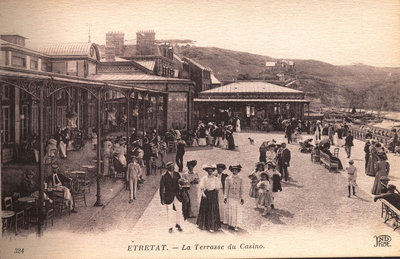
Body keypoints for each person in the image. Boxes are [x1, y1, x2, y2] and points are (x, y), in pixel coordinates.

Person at [197, 164, 221, 232]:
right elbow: (201, 187)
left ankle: (213, 226)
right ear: (207, 171)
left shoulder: (216, 179)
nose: (210, 172)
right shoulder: (204, 178)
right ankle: (205, 225)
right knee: (205, 209)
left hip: (213, 195)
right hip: (206, 194)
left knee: (213, 210)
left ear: (213, 171)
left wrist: (215, 196)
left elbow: (218, 188)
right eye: (208, 171)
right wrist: (203, 193)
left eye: (211, 171)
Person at [160, 161, 183, 233]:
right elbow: (161, 188)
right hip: (168, 196)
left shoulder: (177, 174)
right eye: (172, 166)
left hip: (177, 195)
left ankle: (178, 224)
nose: (174, 167)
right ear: (168, 168)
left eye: (174, 166)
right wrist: (162, 199)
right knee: (169, 211)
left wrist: (181, 187)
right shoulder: (164, 176)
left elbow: (180, 183)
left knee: (179, 209)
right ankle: (170, 227)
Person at [224, 165, 244, 231]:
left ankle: (236, 225)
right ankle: (230, 224)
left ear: (238, 171)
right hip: (230, 197)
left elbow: (241, 188)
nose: (234, 171)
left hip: (237, 197)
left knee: (236, 211)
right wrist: (225, 197)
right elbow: (226, 188)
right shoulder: (228, 178)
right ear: (231, 170)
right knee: (230, 210)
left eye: (236, 170)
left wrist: (242, 197)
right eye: (233, 170)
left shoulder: (240, 179)